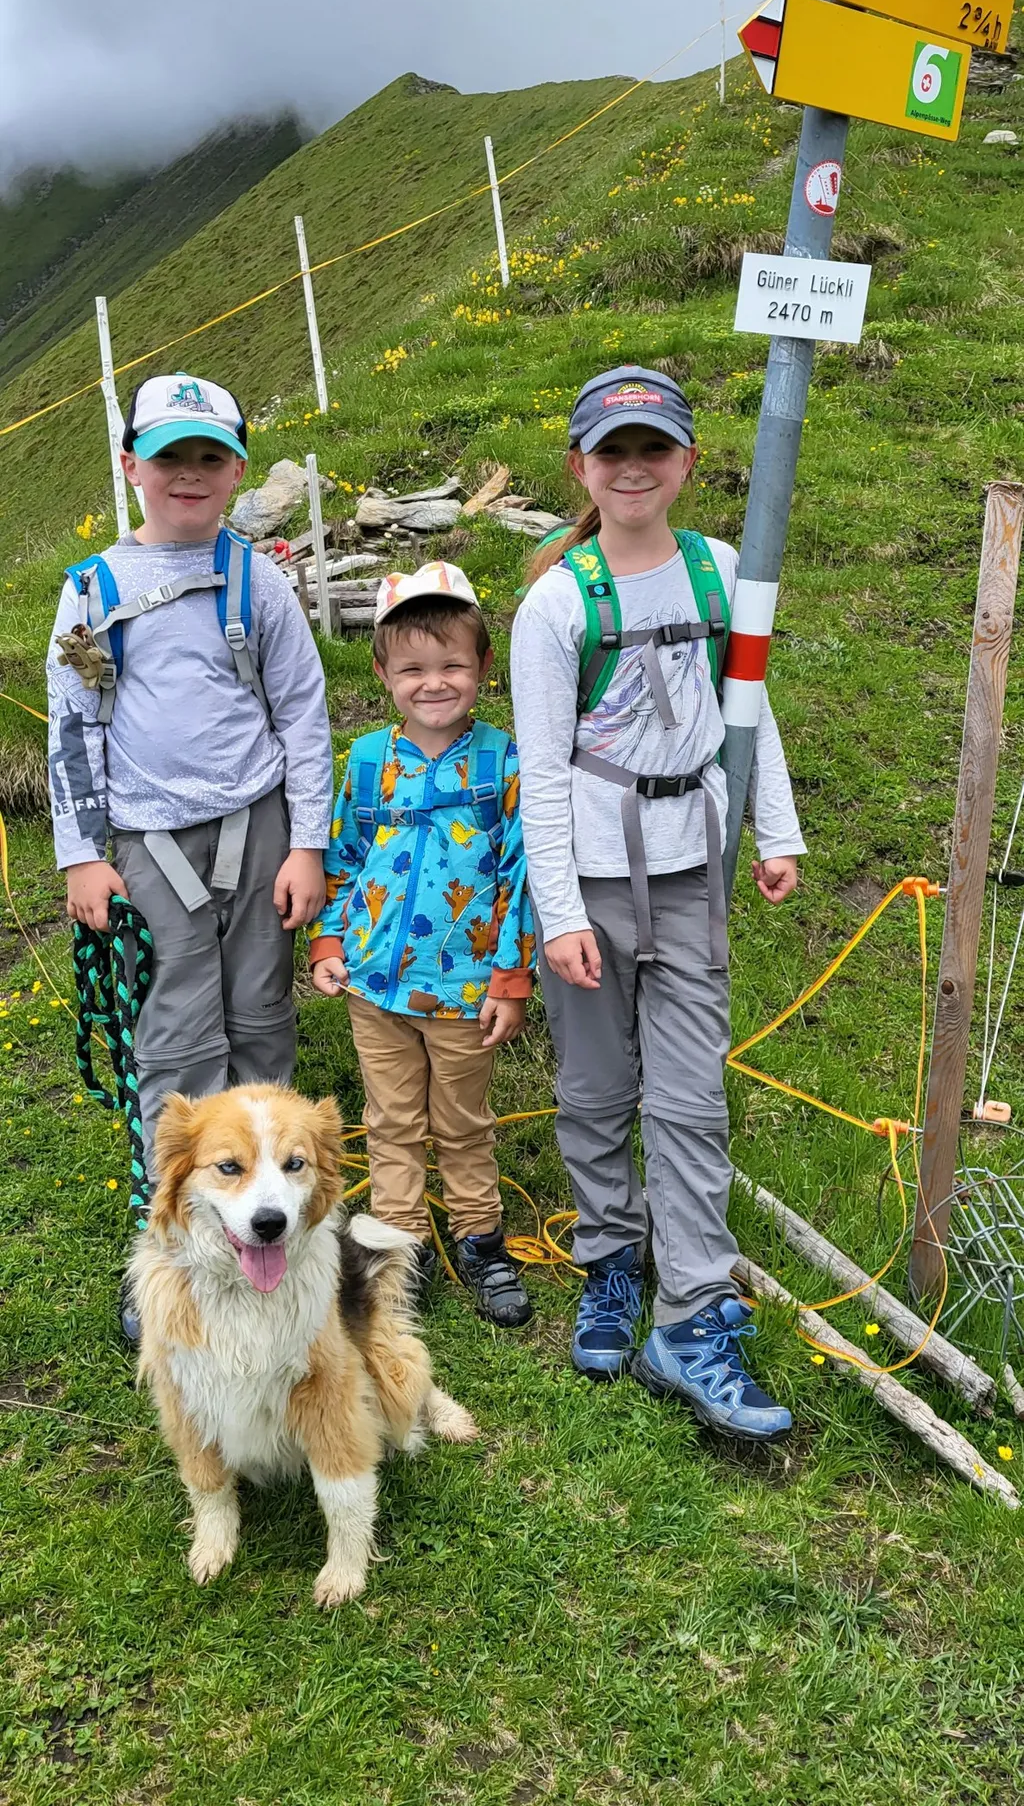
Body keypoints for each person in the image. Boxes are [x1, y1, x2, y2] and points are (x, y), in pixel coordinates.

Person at [510, 366, 806, 1441]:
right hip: (588, 876)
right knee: (595, 1085)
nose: (632, 468)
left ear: (685, 459)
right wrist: (559, 912)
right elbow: (542, 771)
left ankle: (688, 1311)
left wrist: (775, 828)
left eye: (653, 448)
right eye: (611, 450)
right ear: (580, 467)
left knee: (688, 1096)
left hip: (695, 869)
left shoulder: (723, 569)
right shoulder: (555, 601)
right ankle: (608, 1258)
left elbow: (749, 709)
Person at [46, 372, 332, 1337]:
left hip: (256, 831)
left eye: (211, 458)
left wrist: (308, 844)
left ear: (238, 469)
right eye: (170, 458)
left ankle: (275, 1212)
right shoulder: (91, 590)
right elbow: (73, 730)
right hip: (145, 842)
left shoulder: (259, 579)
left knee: (261, 1011)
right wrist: (83, 855)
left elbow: (301, 712)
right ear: (132, 466)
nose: (190, 475)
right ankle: (173, 1234)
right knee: (173, 1031)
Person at [308, 562, 536, 1327]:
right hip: (375, 988)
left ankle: (479, 1239)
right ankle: (396, 1248)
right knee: (391, 1121)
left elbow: (519, 874)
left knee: (463, 1122)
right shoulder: (368, 761)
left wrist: (510, 976)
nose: (432, 684)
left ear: (483, 668)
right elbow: (343, 857)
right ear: (381, 672)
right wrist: (328, 938)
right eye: (411, 669)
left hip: (465, 991)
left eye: (451, 666)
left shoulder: (503, 761)